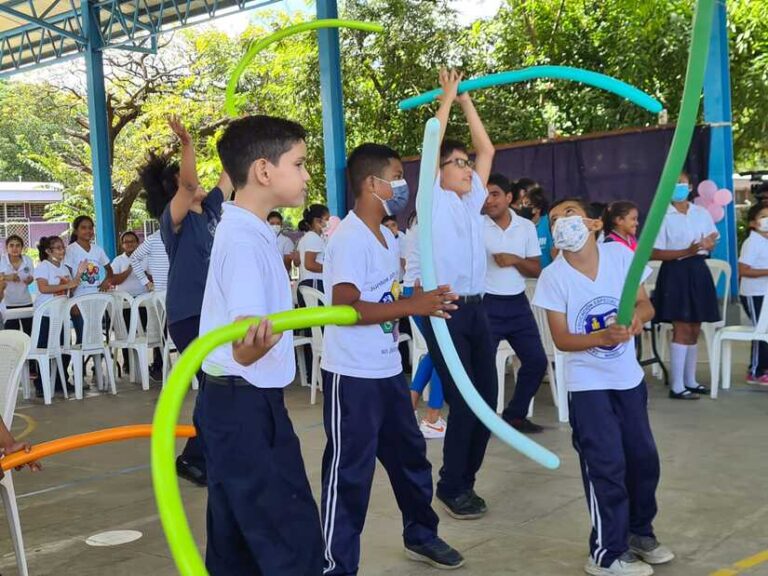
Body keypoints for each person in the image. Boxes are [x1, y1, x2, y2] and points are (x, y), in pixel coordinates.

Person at [321, 142, 463, 574]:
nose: (403, 186)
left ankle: (421, 534)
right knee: (350, 473)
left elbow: (387, 295)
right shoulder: (350, 239)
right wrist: (410, 307)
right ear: (372, 183)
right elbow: (346, 307)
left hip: (386, 369)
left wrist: (423, 298)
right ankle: (335, 564)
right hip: (352, 375)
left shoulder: (386, 237)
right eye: (397, 177)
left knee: (411, 457)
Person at [198, 114, 323, 575]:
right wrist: (268, 333)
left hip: (233, 403)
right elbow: (244, 347)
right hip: (245, 405)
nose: (306, 175)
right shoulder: (246, 242)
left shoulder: (247, 230)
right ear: (264, 171)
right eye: (299, 163)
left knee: (238, 543)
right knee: (289, 539)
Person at [533, 198, 674, 576]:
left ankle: (639, 532)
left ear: (594, 224)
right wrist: (601, 338)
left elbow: (645, 305)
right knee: (606, 465)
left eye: (570, 214)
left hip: (628, 380)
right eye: (554, 219)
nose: (562, 221)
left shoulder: (620, 257)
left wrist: (636, 320)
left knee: (643, 460)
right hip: (588, 388)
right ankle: (607, 552)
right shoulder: (554, 277)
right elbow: (562, 339)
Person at [410, 69, 498, 520]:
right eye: (457, 163)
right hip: (444, 310)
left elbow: (488, 150)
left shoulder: (470, 201)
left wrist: (466, 102)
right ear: (439, 171)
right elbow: (433, 146)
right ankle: (452, 486)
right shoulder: (432, 200)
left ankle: (465, 481)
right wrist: (446, 99)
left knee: (487, 399)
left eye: (467, 163)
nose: (467, 168)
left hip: (478, 308)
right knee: (465, 401)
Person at [141, 116, 233, 486]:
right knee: (213, 383)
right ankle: (194, 458)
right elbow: (191, 183)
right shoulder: (173, 219)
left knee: (219, 384)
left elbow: (231, 173)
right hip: (188, 315)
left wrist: (239, 135)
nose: (196, 182)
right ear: (177, 189)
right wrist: (187, 143)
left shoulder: (210, 209)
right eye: (186, 180)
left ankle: (202, 455)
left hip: (214, 314)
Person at [483, 173, 547, 433]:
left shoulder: (526, 227)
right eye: (485, 195)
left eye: (495, 194)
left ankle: (515, 416)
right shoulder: (476, 226)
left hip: (518, 304)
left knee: (537, 361)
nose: (489, 200)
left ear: (509, 197)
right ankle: (483, 420)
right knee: (483, 367)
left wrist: (515, 259)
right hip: (486, 304)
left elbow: (536, 269)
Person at [651, 172, 719, 400]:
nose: (677, 186)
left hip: (698, 269)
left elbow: (712, 238)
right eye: (673, 182)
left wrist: (708, 243)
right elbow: (654, 252)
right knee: (681, 325)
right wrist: (686, 251)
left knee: (695, 326)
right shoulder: (662, 216)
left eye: (681, 182)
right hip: (676, 272)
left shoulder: (701, 212)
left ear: (690, 186)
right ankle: (677, 385)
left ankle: (691, 380)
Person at [403, 212, 447, 439]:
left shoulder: (416, 225)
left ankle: (409, 405)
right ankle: (432, 418)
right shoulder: (433, 226)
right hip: (425, 292)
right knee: (442, 353)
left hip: (414, 289)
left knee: (436, 351)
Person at [33, 236, 86, 397]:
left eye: (62, 247)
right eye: (58, 248)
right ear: (48, 251)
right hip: (46, 315)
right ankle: (42, 384)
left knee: (63, 348)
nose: (62, 250)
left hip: (60, 315)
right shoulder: (43, 266)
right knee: (44, 350)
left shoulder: (64, 268)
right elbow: (43, 288)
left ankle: (60, 382)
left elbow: (72, 287)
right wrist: (68, 284)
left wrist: (78, 274)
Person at [738, 202, 768, 385]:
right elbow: (743, 270)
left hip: (765, 293)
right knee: (760, 330)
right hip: (754, 294)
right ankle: (756, 370)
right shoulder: (752, 243)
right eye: (763, 217)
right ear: (752, 223)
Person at [0, 235, 34, 334]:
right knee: (12, 334)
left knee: (30, 333)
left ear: (22, 248)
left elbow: (32, 277)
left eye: (18, 245)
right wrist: (8, 277)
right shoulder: (2, 260)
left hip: (26, 302)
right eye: (11, 245)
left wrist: (30, 280)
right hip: (8, 303)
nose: (14, 248)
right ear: (6, 248)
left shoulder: (28, 260)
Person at [297, 203, 329, 296]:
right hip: (314, 284)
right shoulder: (312, 237)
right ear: (318, 221)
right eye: (327, 219)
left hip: (310, 284)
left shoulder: (309, 238)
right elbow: (309, 264)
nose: (328, 222)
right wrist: (330, 269)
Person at [521, 187, 554, 267]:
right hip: (528, 272)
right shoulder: (520, 225)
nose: (523, 208)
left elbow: (555, 252)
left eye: (527, 204)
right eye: (522, 204)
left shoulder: (549, 223)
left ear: (538, 208)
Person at [382, 214, 407, 279]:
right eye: (386, 226)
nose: (390, 229)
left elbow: (404, 262)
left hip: (401, 280)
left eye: (393, 225)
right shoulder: (377, 240)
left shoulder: (401, 238)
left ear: (397, 226)